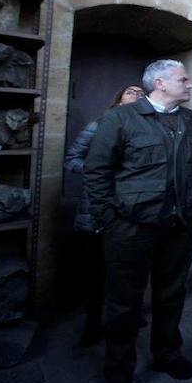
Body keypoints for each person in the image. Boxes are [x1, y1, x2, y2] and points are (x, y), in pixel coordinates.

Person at [84, 60, 192, 383]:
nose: (189, 84)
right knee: (123, 303)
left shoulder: (191, 120)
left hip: (180, 224)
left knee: (171, 293)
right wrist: (110, 218)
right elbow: (96, 171)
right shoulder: (120, 119)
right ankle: (118, 377)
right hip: (131, 228)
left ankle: (168, 354)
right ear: (160, 83)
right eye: (183, 79)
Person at [65, 85, 145, 348]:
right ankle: (92, 324)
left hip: (132, 209)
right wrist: (98, 170)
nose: (137, 94)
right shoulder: (99, 125)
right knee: (97, 270)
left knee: (131, 270)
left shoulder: (146, 127)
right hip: (98, 209)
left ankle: (129, 317)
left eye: (141, 92)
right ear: (119, 97)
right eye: (131, 91)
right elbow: (72, 159)